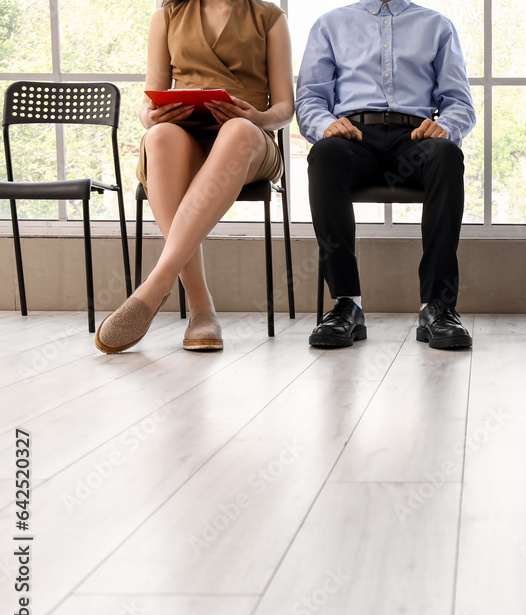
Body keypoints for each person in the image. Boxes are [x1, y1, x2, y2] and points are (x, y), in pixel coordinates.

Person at [94, 0, 294, 354]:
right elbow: (147, 104)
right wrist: (151, 117)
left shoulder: (270, 17)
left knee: (237, 130)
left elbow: (284, 109)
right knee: (159, 136)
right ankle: (201, 308)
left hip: (250, 140)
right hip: (186, 135)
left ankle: (157, 284)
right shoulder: (167, 16)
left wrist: (257, 117)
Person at [296, 0, 476, 350]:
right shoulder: (329, 24)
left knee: (446, 154)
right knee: (325, 153)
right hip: (352, 137)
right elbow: (309, 99)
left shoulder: (437, 26)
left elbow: (459, 102)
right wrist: (326, 125)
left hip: (416, 137)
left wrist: (445, 127)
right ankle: (346, 303)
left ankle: (437, 307)